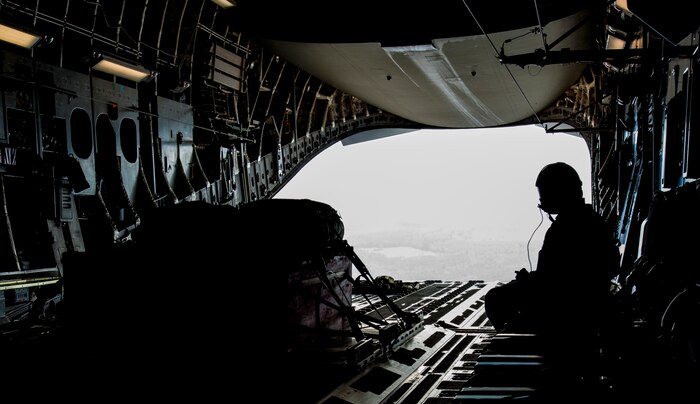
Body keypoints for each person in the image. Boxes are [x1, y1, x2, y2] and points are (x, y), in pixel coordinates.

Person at [484, 162, 621, 340]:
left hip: (564, 306)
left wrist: (529, 280)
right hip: (586, 302)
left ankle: (525, 341)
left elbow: (554, 280)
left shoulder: (565, 228)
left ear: (558, 192)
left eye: (544, 194)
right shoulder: (592, 220)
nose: (541, 201)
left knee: (495, 298)